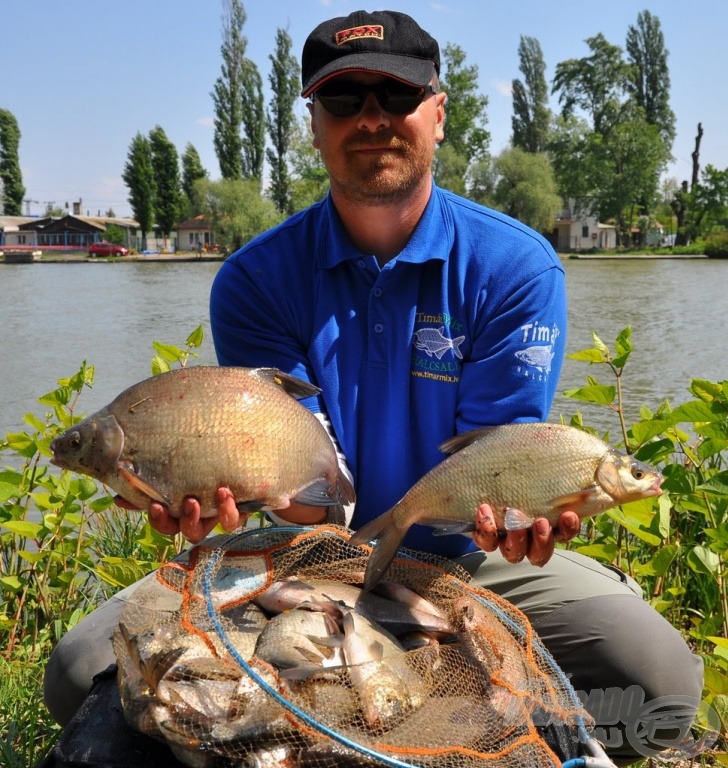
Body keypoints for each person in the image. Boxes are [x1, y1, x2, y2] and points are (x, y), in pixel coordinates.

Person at [45, 10, 703, 762]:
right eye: (343, 100)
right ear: (315, 124)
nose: (372, 120)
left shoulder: (515, 268)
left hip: (461, 555)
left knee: (662, 685)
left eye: (394, 97)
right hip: (295, 552)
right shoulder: (255, 280)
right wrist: (216, 492)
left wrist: (528, 518)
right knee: (75, 675)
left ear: (439, 112)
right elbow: (308, 483)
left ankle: (459, 714)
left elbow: (501, 461)